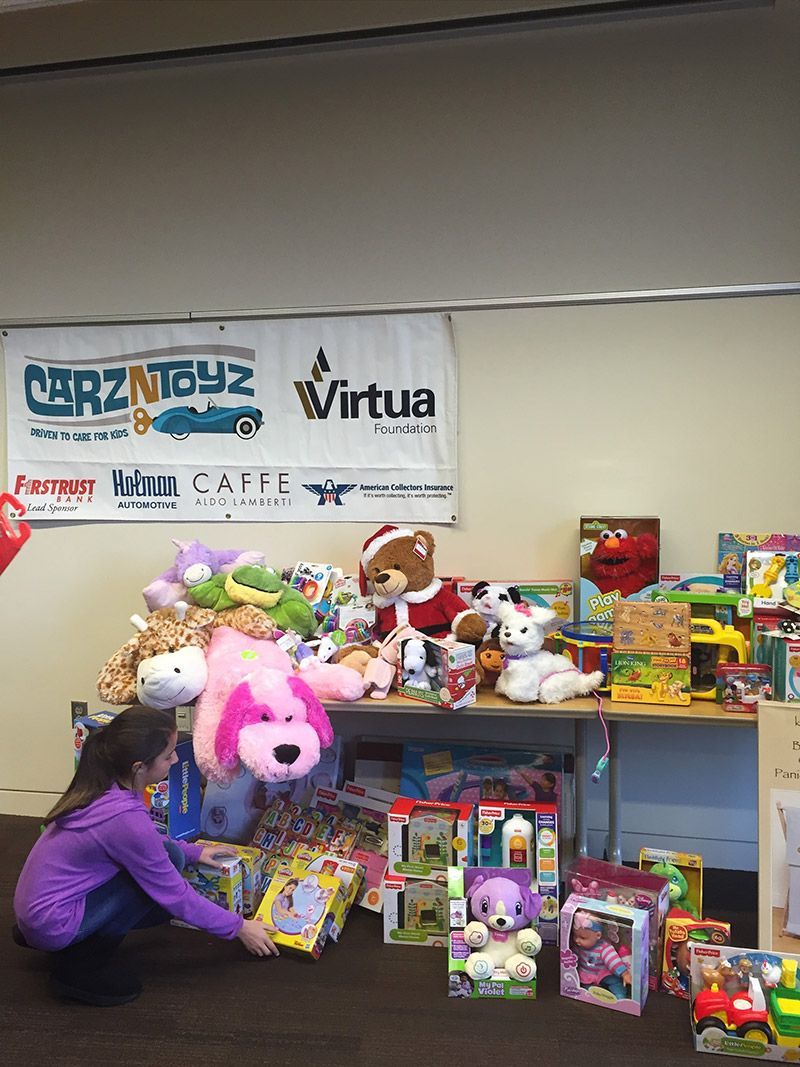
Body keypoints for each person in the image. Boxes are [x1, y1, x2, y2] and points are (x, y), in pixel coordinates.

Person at [13, 705, 279, 1007]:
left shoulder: (103, 785)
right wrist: (239, 927)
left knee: (170, 855)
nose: (176, 759)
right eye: (168, 756)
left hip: (37, 910)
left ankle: (58, 937)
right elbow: (174, 895)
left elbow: (146, 841)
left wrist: (194, 851)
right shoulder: (123, 818)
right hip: (53, 922)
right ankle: (81, 965)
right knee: (159, 883)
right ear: (139, 767)